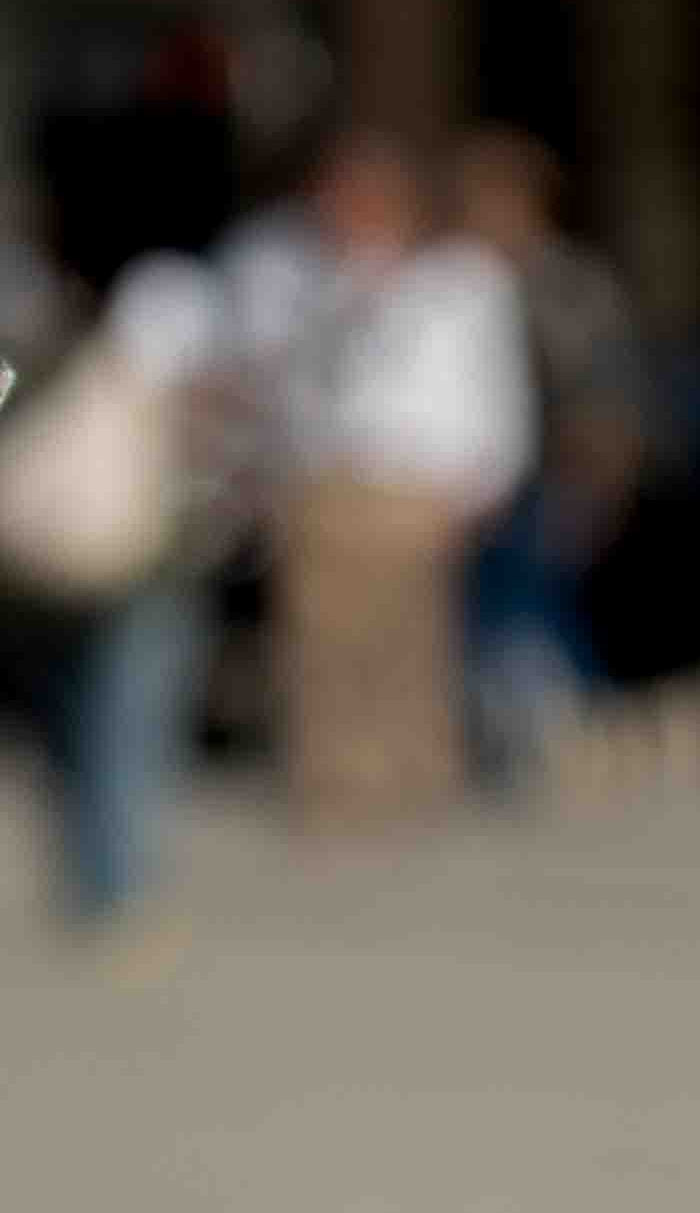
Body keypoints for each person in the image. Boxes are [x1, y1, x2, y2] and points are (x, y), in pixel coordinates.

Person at [223, 131, 530, 828]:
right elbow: (272, 383)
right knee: (323, 642)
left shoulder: (461, 283)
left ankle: (411, 777)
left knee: (410, 640)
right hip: (326, 481)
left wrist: (487, 480)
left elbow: (493, 389)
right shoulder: (298, 277)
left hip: (415, 486)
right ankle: (332, 781)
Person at [0, 204, 231, 942]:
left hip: (52, 556)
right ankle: (116, 885)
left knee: (84, 719)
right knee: (125, 719)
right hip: (134, 556)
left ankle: (99, 877)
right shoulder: (160, 334)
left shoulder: (34, 335)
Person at [445, 127, 639, 792]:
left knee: (540, 609)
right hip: (462, 478)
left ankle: (555, 742)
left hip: (549, 475)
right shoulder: (446, 280)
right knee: (473, 613)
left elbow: (604, 390)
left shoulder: (573, 283)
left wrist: (597, 478)